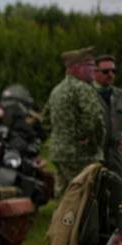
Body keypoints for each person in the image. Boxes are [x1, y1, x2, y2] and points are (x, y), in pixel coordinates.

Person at [42, 47, 107, 196]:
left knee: (65, 196)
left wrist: (59, 135)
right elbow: (94, 118)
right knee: (84, 197)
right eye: (90, 66)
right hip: (79, 155)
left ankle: (61, 220)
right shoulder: (82, 88)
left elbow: (45, 119)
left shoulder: (57, 90)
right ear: (77, 68)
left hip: (59, 152)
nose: (94, 70)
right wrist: (91, 142)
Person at [93, 54, 122, 181]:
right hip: (94, 152)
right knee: (91, 188)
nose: (110, 74)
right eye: (106, 71)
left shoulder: (120, 95)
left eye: (114, 71)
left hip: (116, 151)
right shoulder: (87, 94)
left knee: (119, 187)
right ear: (95, 72)